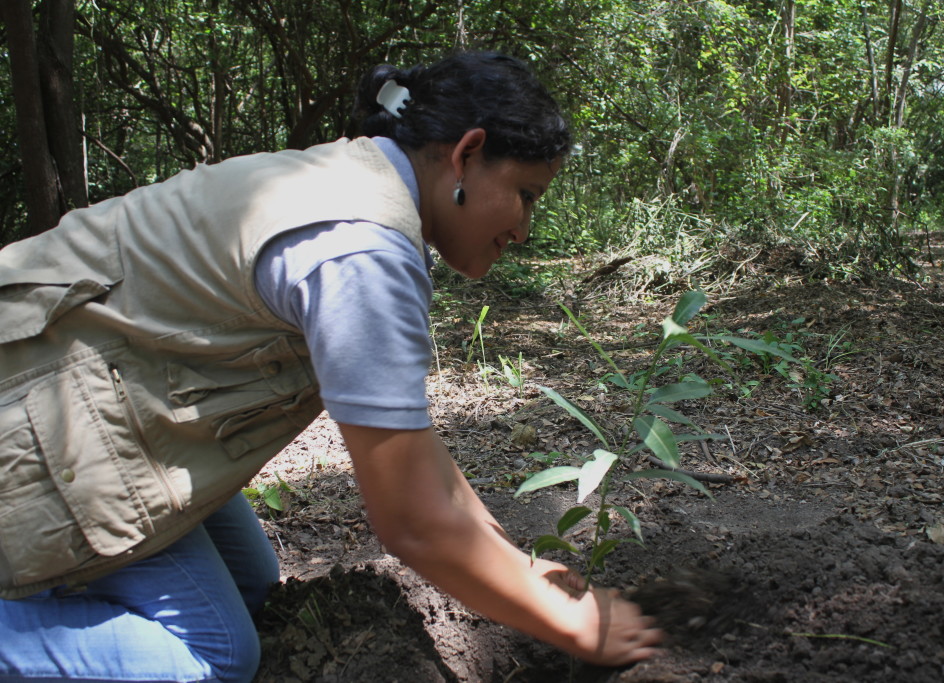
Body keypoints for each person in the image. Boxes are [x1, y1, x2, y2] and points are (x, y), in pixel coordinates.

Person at [0, 51, 663, 681]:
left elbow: (411, 447)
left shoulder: (359, 186)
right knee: (213, 655)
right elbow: (412, 520)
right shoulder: (362, 250)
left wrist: (518, 567)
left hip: (116, 406)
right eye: (525, 194)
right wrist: (572, 622)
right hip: (43, 413)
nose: (523, 229)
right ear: (466, 154)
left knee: (256, 589)